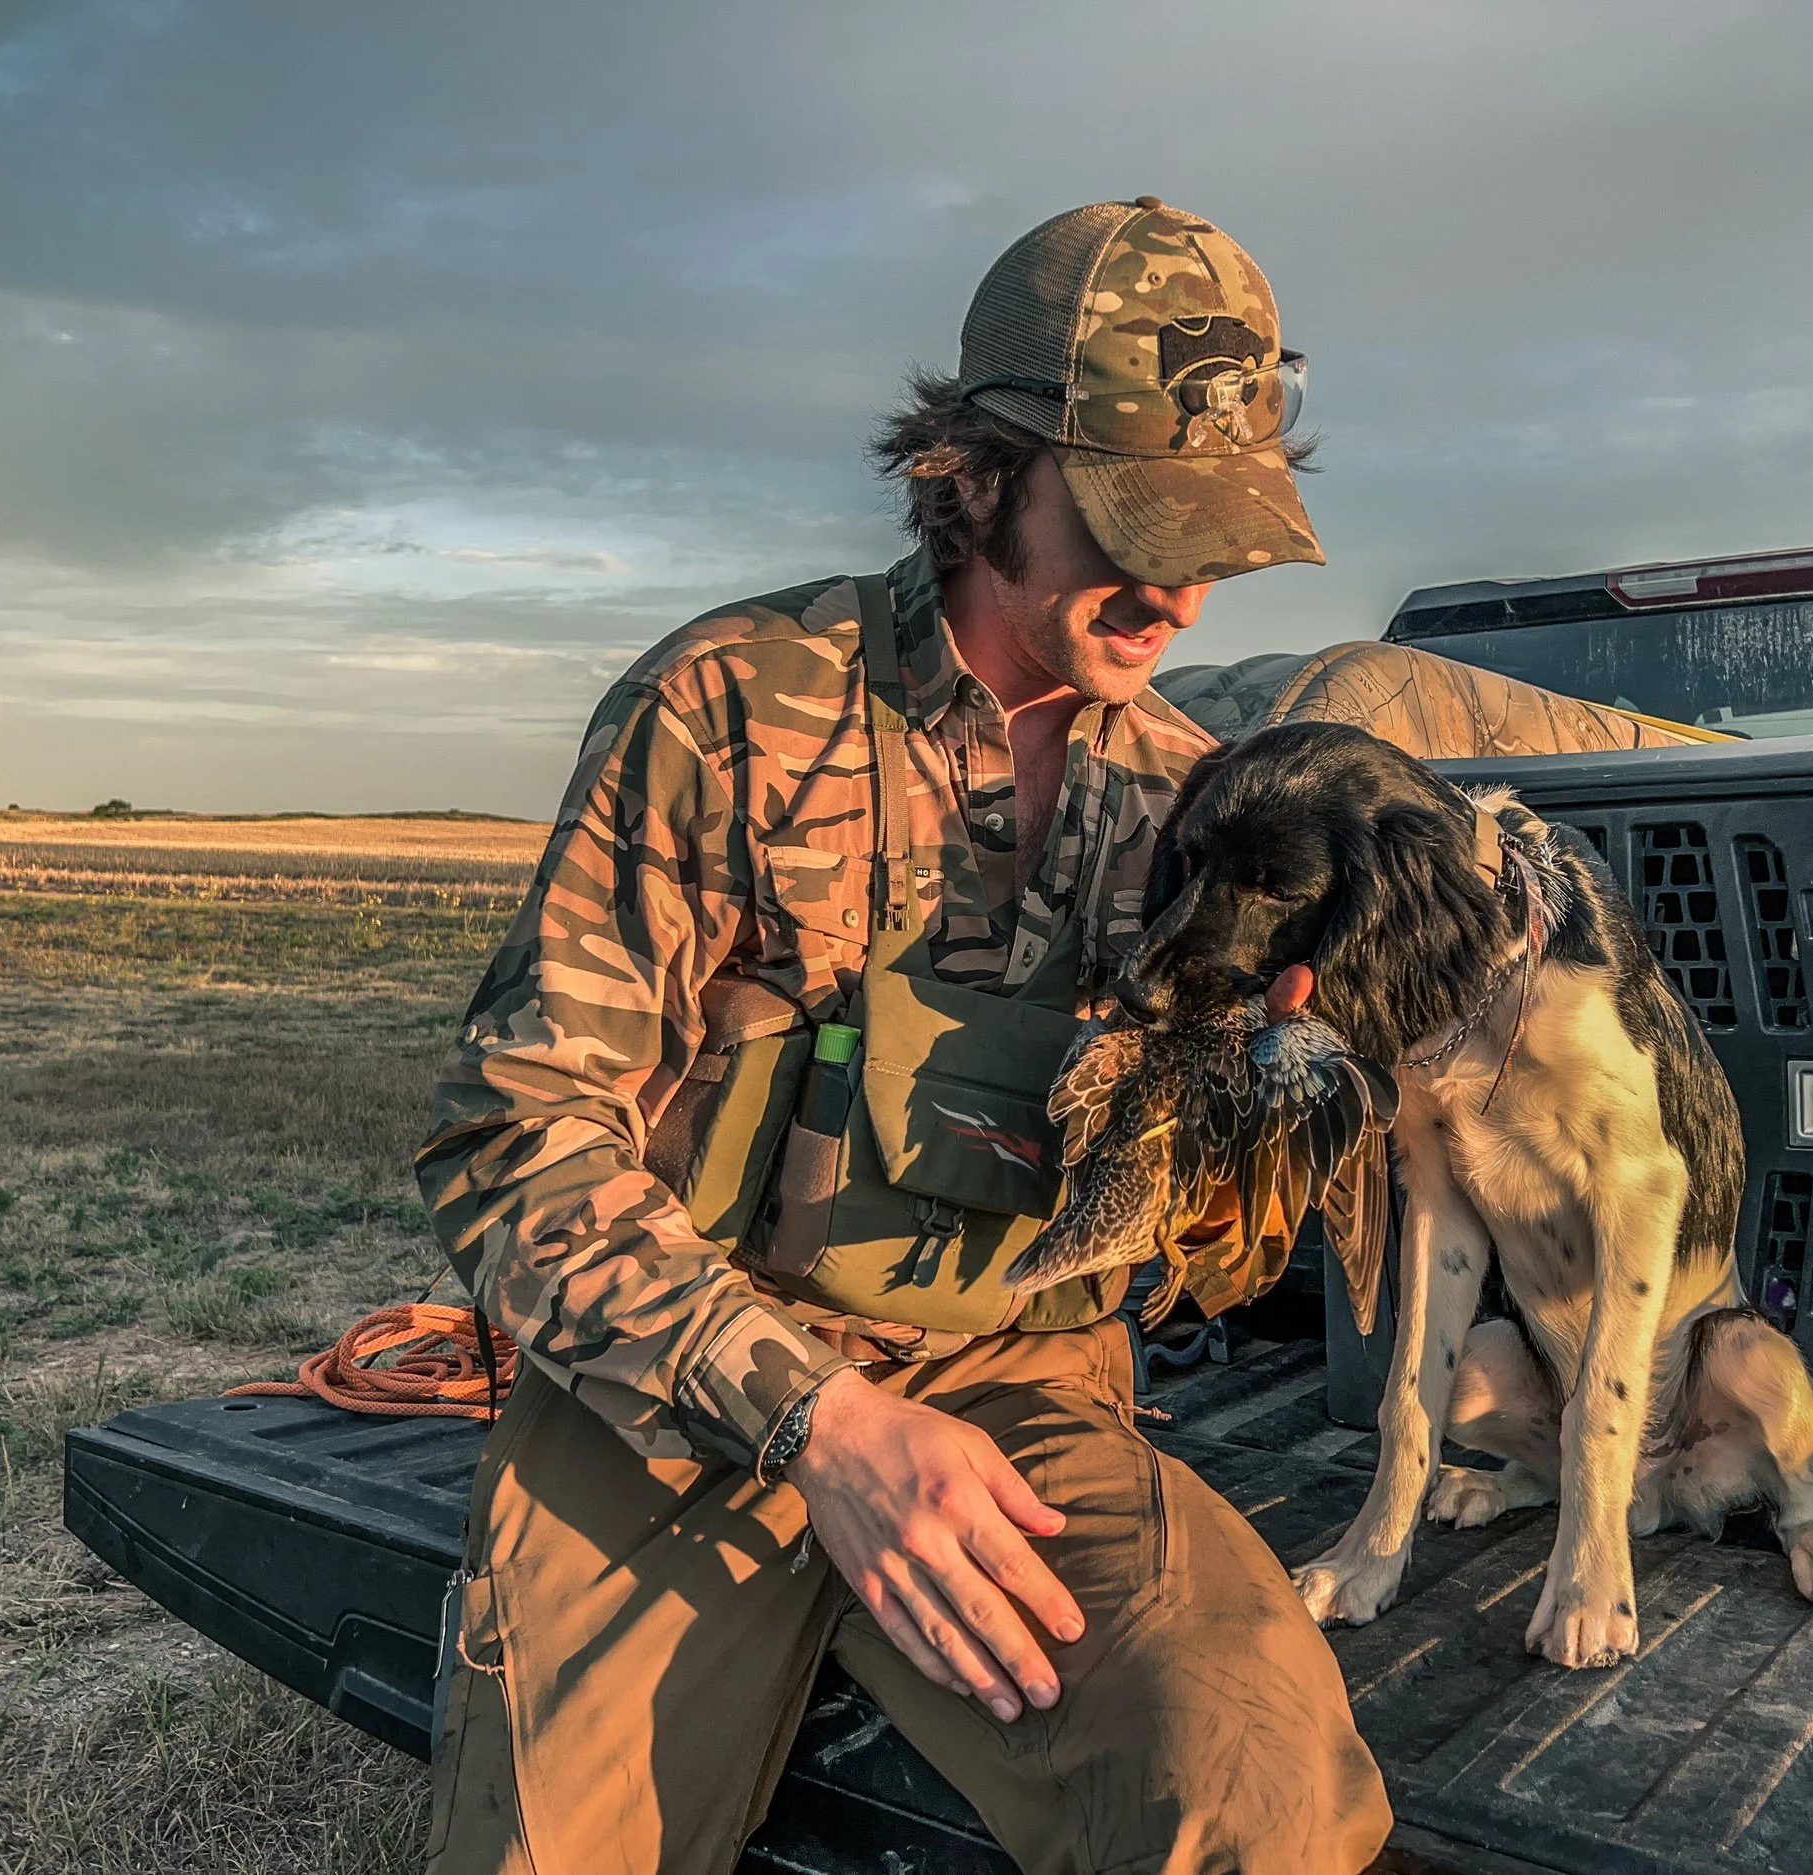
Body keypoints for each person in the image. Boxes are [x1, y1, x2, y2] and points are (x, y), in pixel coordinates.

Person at [416, 197, 1394, 1875]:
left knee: (1256, 1786)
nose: (1177, 582)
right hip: (683, 1400)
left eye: (1215, 528)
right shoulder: (728, 709)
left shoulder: (1190, 801)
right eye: (1131, 515)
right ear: (973, 473)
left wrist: (1260, 1111)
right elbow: (514, 1147)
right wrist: (827, 1427)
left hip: (1016, 1392)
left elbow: (1204, 1260)